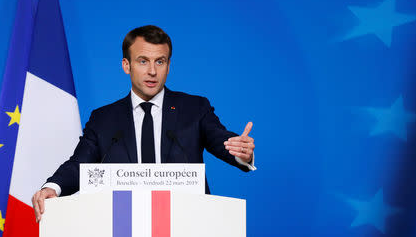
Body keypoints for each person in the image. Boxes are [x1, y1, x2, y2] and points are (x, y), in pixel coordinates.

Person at [31, 25, 256, 222]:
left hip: (187, 223)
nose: (152, 71)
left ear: (168, 66)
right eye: (143, 61)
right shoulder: (103, 119)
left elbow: (221, 140)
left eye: (160, 61)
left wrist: (241, 152)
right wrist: (53, 187)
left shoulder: (194, 109)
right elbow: (80, 164)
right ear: (126, 65)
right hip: (121, 225)